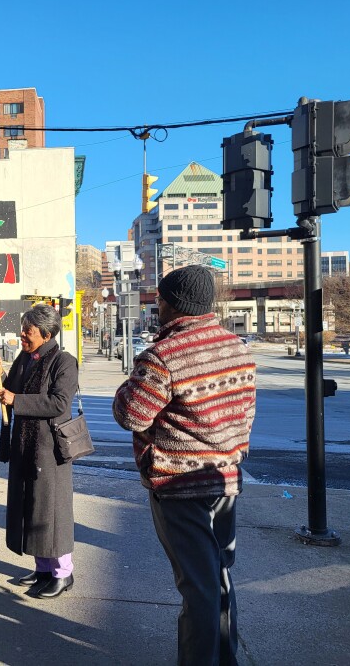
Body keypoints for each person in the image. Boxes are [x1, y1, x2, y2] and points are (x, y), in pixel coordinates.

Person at [112, 265, 256, 666]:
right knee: (220, 575)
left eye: (160, 298)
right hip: (224, 480)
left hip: (179, 486)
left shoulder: (163, 355)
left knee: (199, 588)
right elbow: (246, 416)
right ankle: (225, 657)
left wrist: (129, 381)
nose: (157, 305)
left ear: (172, 303)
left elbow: (131, 415)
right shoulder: (238, 348)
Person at [0, 304, 78, 599]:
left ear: (47, 334)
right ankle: (42, 568)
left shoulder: (64, 362)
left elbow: (58, 403)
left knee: (51, 513)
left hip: (49, 450)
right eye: (23, 328)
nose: (22, 335)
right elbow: (7, 391)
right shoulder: (26, 358)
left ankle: (63, 573)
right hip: (25, 446)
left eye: (28, 330)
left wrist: (17, 399)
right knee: (32, 508)